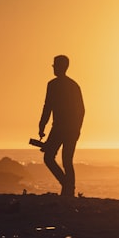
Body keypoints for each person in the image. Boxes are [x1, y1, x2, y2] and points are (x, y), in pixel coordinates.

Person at [38, 55, 85, 197]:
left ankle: (67, 186)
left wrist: (42, 126)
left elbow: (48, 107)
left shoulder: (53, 85)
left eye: (55, 65)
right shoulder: (73, 85)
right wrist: (77, 128)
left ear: (60, 67)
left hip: (59, 128)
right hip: (68, 129)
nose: (53, 68)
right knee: (66, 160)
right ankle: (68, 188)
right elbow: (82, 110)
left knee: (50, 157)